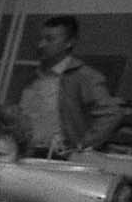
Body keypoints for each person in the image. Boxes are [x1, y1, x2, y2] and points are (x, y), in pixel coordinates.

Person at [17, 15, 122, 156]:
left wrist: (83, 145)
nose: (41, 45)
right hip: (26, 151)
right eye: (40, 39)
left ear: (69, 43)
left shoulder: (83, 76)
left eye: (50, 39)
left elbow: (112, 114)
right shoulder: (33, 76)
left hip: (59, 155)